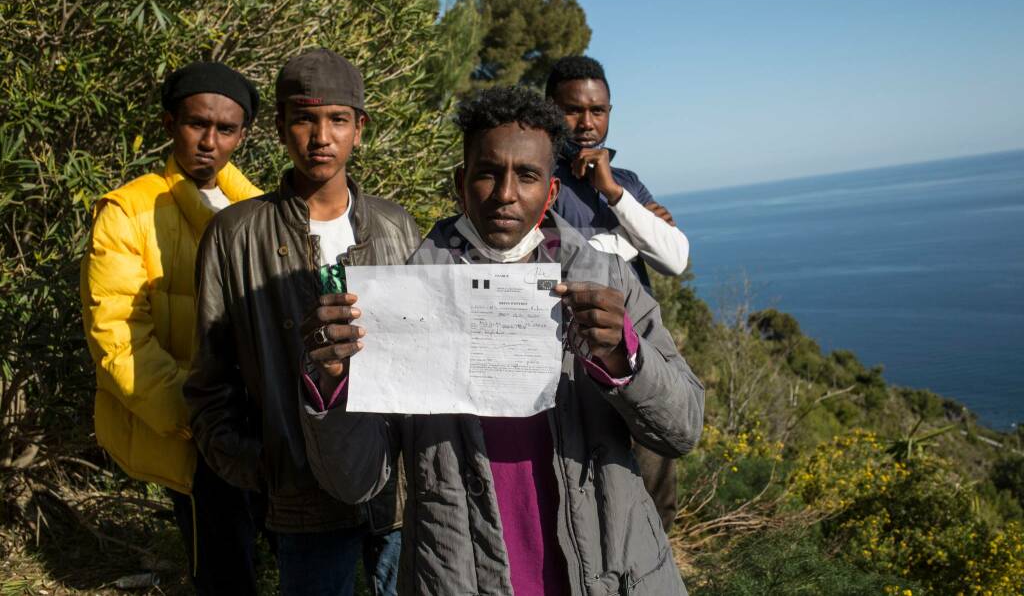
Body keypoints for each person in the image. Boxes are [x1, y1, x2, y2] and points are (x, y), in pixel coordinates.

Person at [299, 86, 705, 595]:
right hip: (458, 578)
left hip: (614, 576)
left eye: (528, 175)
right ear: (459, 183)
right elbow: (354, 482)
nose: (506, 194)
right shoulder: (401, 302)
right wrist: (333, 386)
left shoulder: (609, 281)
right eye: (488, 172)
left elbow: (682, 429)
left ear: (551, 191)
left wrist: (624, 357)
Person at [184, 48, 418, 596]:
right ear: (280, 127)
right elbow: (209, 382)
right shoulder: (235, 235)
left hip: (395, 495)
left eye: (337, 119)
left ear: (360, 129)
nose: (321, 136)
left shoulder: (396, 226)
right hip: (299, 496)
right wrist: (261, 467)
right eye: (304, 119)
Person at [80, 62, 264, 594]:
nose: (209, 141)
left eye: (225, 129)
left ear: (243, 135)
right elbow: (117, 334)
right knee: (223, 566)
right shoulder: (127, 211)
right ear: (168, 123)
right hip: (194, 422)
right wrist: (198, 413)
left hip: (259, 417)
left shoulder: (259, 211)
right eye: (195, 124)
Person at [546, 54, 690, 531]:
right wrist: (629, 236)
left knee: (655, 479)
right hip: (570, 358)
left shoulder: (625, 182)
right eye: (573, 110)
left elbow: (674, 259)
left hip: (639, 352)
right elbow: (553, 254)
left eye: (599, 111)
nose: (587, 123)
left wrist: (615, 193)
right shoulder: (540, 181)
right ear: (550, 109)